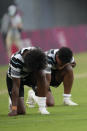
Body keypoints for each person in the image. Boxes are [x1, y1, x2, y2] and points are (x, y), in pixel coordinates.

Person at [6, 46, 50, 116]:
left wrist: (42, 104)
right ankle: (12, 102)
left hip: (30, 76)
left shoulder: (39, 55)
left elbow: (43, 76)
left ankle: (42, 108)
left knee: (41, 74)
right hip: (15, 79)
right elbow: (16, 86)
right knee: (21, 111)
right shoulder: (16, 60)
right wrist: (14, 109)